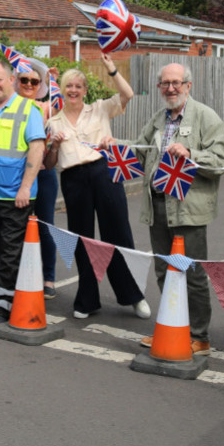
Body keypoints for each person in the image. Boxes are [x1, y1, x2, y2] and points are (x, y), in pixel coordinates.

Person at [129, 62, 224, 353]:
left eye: (176, 82)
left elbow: (222, 161)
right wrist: (114, 144)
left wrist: (191, 153)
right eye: (165, 83)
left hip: (188, 209)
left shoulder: (205, 117)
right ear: (159, 87)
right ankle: (172, 328)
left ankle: (199, 336)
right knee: (165, 272)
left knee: (193, 274)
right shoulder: (159, 119)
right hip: (157, 206)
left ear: (188, 85)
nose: (170, 88)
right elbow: (139, 151)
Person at [44, 54, 150, 320]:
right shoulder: (54, 121)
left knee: (118, 234)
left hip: (104, 172)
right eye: (69, 86)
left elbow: (128, 94)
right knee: (82, 238)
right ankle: (87, 299)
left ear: (85, 90)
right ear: (63, 90)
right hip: (73, 179)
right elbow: (48, 164)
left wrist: (110, 68)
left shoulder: (100, 108)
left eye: (78, 86)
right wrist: (54, 146)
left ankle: (133, 296)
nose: (74, 90)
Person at [0, 60, 46, 326]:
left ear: (11, 79)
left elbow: (37, 149)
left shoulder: (28, 109)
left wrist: (26, 186)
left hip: (16, 196)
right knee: (0, 251)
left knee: (10, 252)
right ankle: (13, 294)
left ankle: (0, 307)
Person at [11, 63, 59, 298]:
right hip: (15, 174)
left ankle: (48, 278)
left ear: (41, 86)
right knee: (15, 228)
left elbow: (65, 104)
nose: (29, 85)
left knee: (44, 227)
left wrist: (55, 81)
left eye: (35, 81)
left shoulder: (46, 108)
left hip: (43, 173)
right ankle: (16, 278)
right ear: (16, 82)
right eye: (24, 80)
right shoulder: (9, 107)